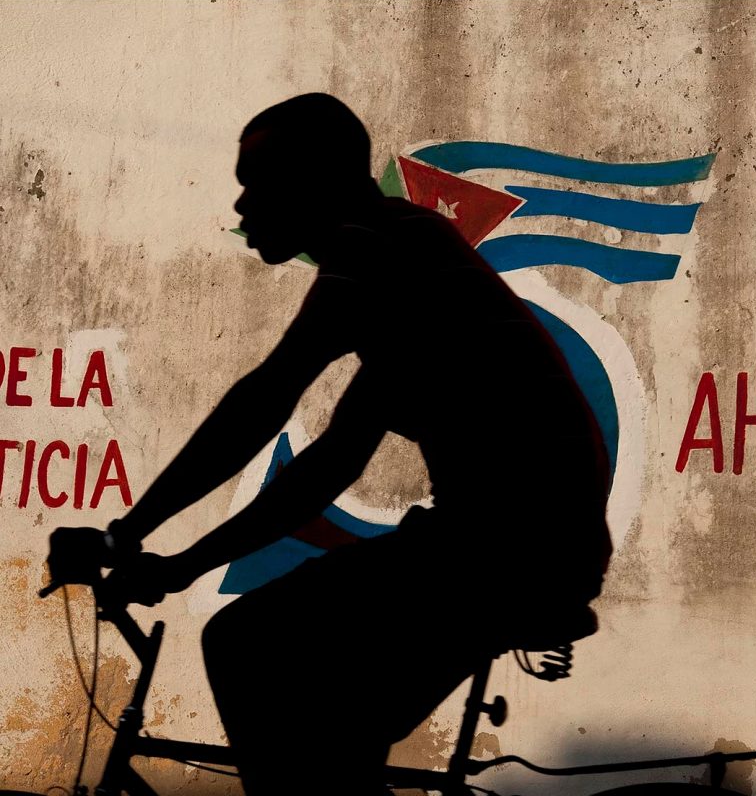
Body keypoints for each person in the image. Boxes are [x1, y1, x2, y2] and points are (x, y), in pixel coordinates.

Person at [47, 93, 612, 796]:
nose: (244, 202)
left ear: (315, 177)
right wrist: (182, 564)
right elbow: (328, 466)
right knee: (324, 732)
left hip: (499, 545)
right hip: (526, 546)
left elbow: (266, 395)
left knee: (245, 647)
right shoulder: (408, 273)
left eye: (258, 178)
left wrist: (124, 534)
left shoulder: (373, 242)